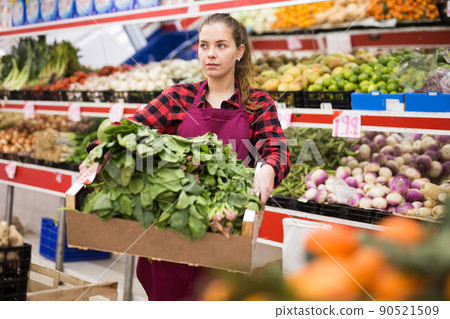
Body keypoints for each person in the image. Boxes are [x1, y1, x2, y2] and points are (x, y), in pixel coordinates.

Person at [84, 13, 290, 301]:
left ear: (240, 51)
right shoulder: (176, 98)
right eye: (204, 46)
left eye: (221, 45)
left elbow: (276, 147)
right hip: (170, 226)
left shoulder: (258, 104)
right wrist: (99, 151)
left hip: (224, 227)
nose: (211, 54)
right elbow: (128, 129)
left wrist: (268, 167)